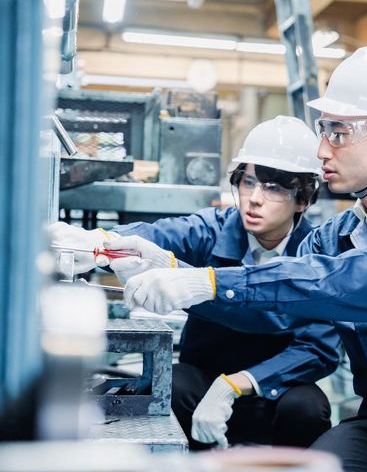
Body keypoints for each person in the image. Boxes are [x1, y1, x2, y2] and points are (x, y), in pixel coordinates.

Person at [118, 46, 367, 472]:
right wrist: (176, 273)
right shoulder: (333, 238)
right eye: (323, 131)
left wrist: (209, 281)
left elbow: (361, 280)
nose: (321, 150)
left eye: (338, 133)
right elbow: (274, 307)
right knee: (316, 466)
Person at [48, 116, 339, 450]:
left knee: (307, 408)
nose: (255, 198)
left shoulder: (317, 255)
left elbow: (319, 348)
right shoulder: (213, 229)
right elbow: (162, 234)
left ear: (303, 198)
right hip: (204, 377)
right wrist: (103, 242)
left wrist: (237, 384)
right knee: (174, 387)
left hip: (275, 385)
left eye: (273, 188)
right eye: (248, 182)